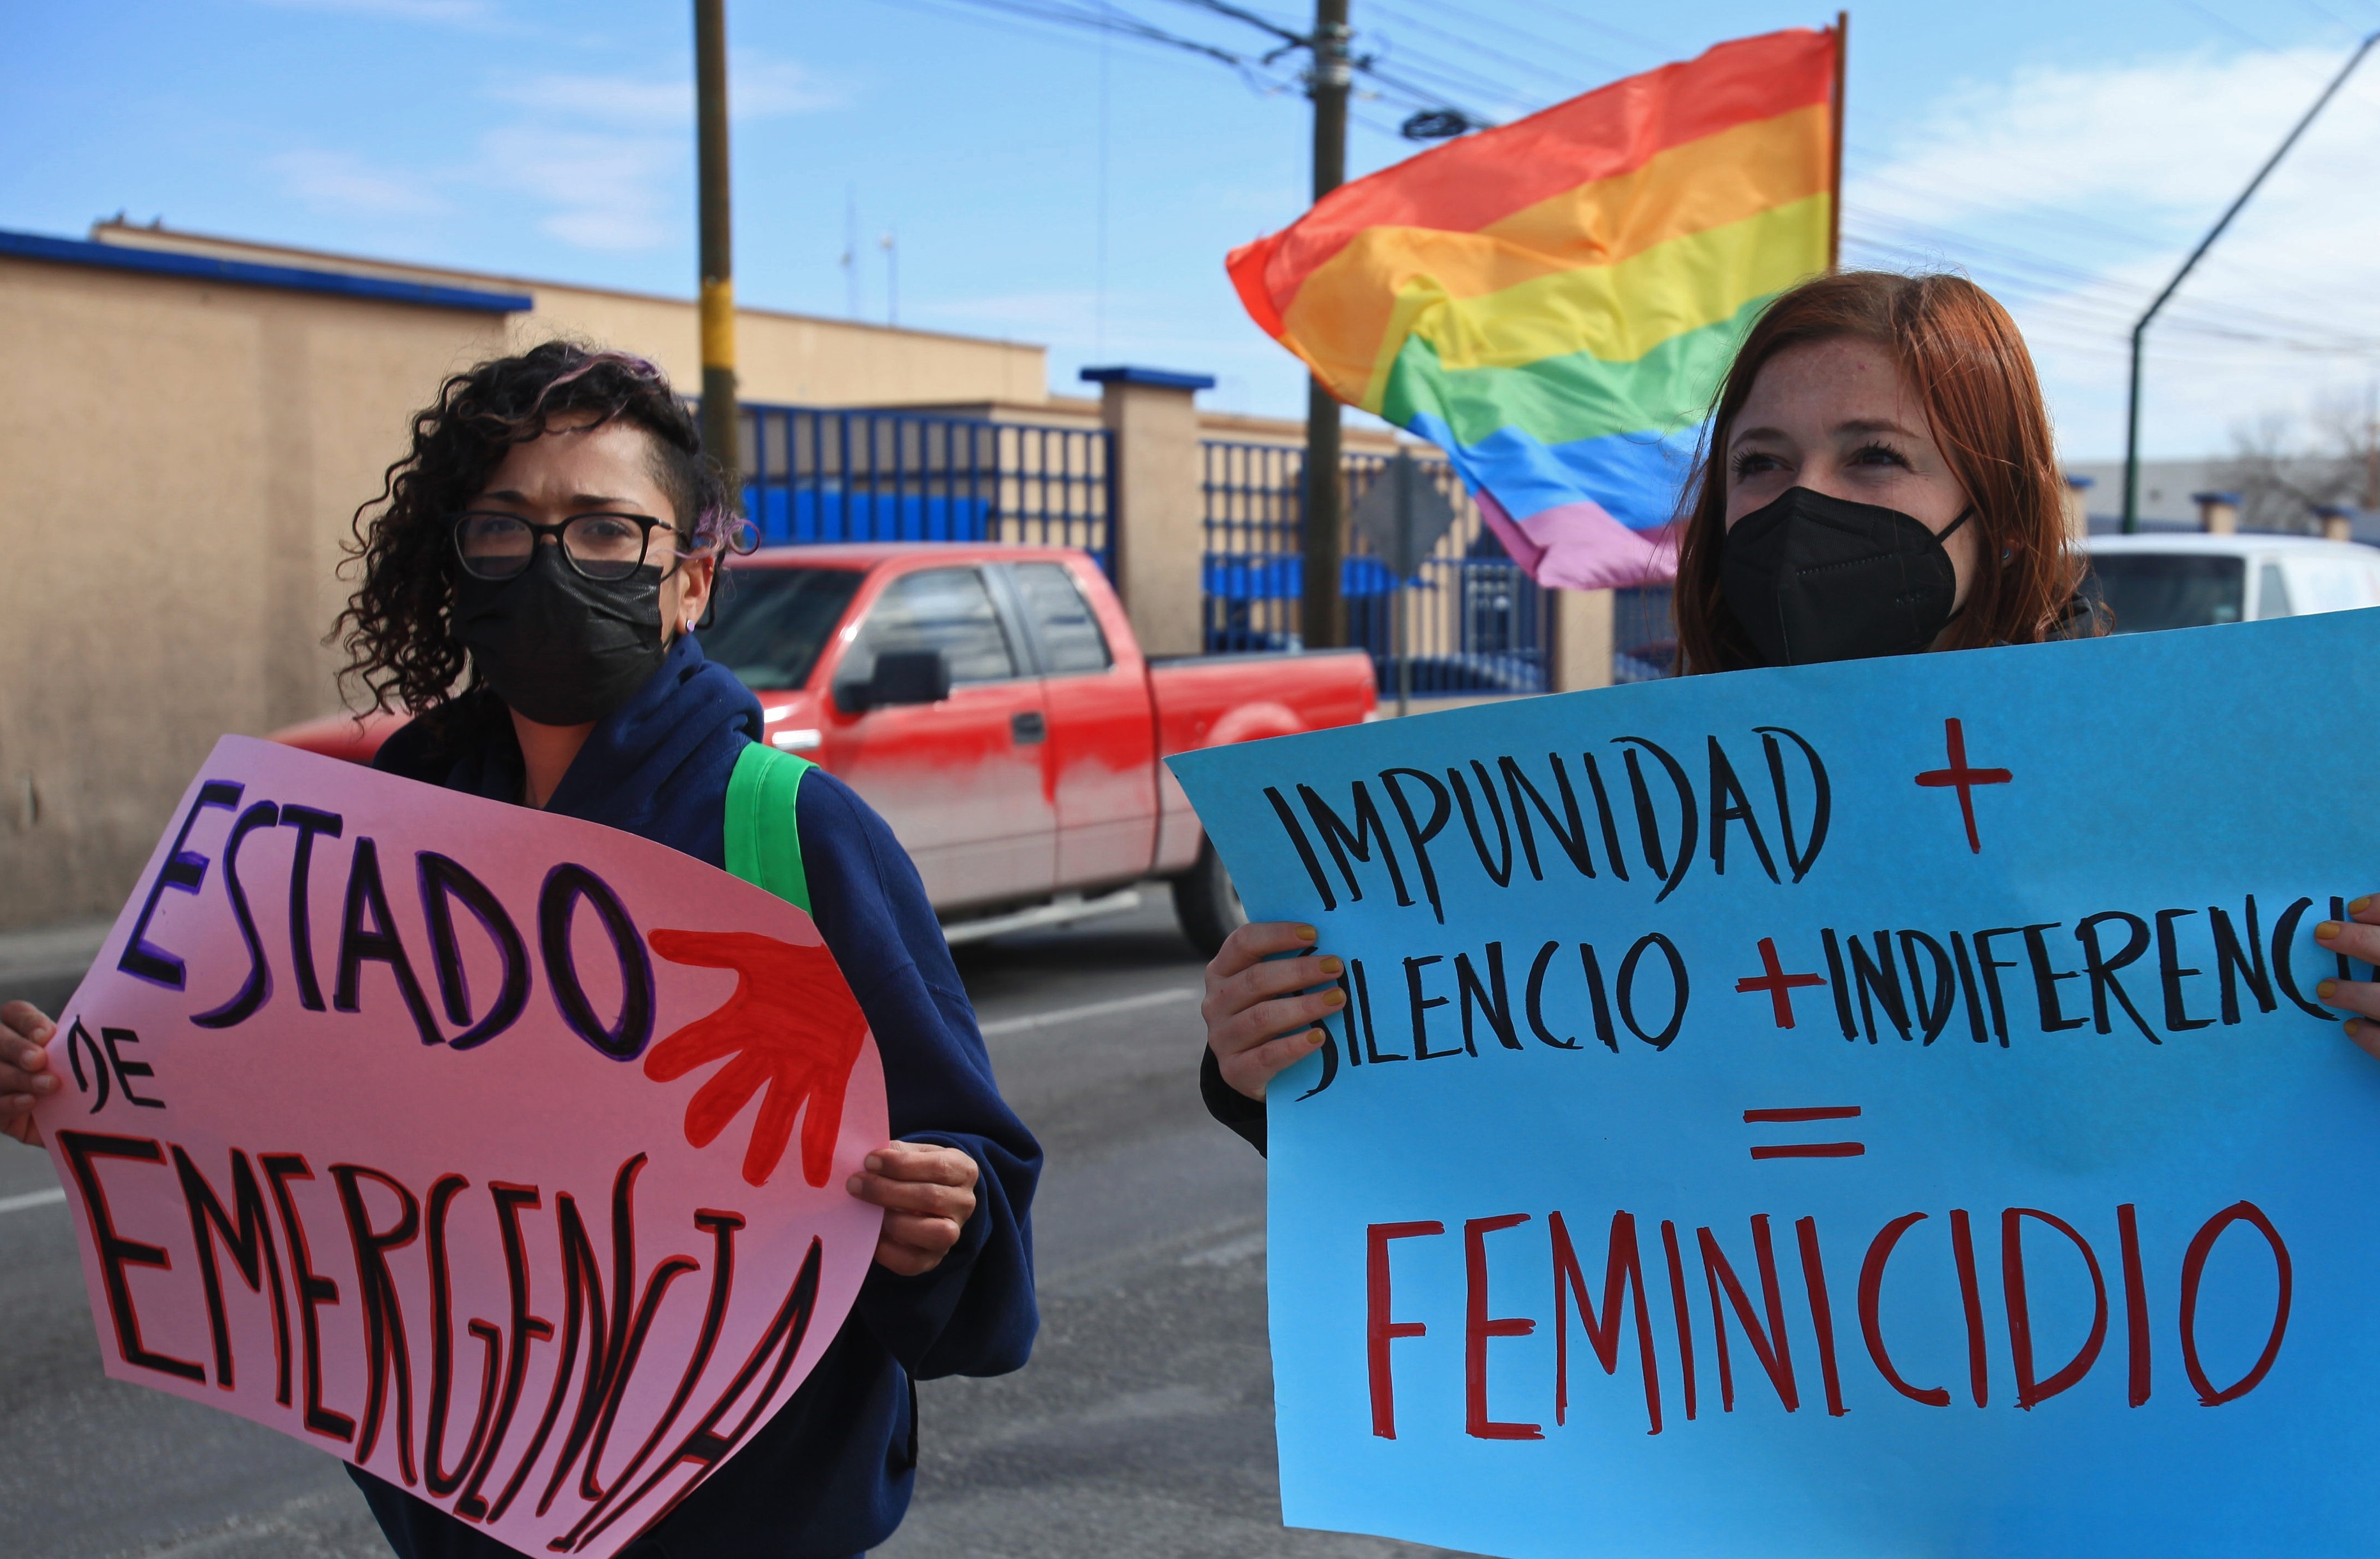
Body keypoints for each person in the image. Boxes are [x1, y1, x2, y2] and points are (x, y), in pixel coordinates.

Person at [0, 342, 1040, 1558]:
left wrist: (941, 1223)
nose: (554, 564)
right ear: (459, 569)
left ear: (691, 582)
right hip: (456, 1509)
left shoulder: (794, 834)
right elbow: (286, 1107)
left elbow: (975, 1199)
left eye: (605, 530)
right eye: (506, 529)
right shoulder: (383, 827)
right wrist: (90, 1092)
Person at [1193, 267, 2367, 1149]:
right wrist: (1271, 1066)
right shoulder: (1616, 819)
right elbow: (1511, 1162)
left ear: (2003, 515)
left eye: (1873, 456)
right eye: (1760, 462)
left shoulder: (2190, 811)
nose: (1804, 502)